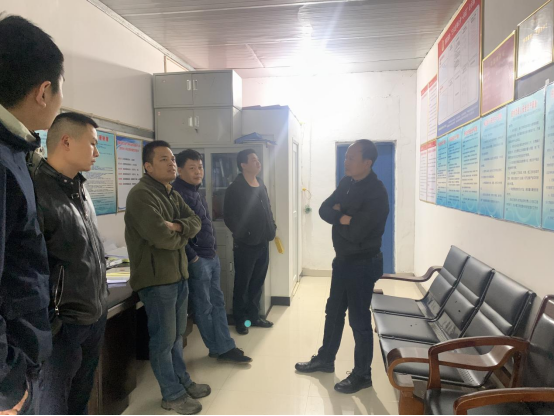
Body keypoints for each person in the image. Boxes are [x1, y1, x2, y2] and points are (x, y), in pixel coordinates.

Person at [0, 14, 64, 415]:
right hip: (10, 375)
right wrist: (7, 385)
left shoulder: (16, 152)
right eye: (60, 88)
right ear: (43, 91)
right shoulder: (3, 162)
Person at [295, 140, 390, 395]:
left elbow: (358, 232)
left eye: (351, 158)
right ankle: (325, 359)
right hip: (343, 260)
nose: (346, 161)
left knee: (358, 320)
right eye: (346, 157)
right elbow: (324, 210)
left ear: (367, 162)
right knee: (334, 311)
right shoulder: (347, 183)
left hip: (363, 263)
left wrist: (341, 219)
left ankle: (363, 375)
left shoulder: (377, 192)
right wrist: (343, 217)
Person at [125, 141, 208, 416]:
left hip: (178, 275)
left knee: (176, 337)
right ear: (148, 166)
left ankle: (183, 382)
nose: (172, 163)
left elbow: (196, 221)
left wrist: (178, 226)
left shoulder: (170, 192)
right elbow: (162, 238)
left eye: (172, 158)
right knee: (163, 340)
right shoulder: (141, 195)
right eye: (164, 159)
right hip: (157, 281)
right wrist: (181, 234)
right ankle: (171, 395)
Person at [33, 113, 108, 415]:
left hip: (93, 315)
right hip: (64, 326)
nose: (97, 152)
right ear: (66, 141)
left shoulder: (80, 188)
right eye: (92, 144)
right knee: (54, 405)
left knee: (80, 399)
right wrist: (54, 325)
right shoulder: (37, 190)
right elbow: (32, 269)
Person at [173, 150, 253, 364]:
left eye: (200, 167)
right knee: (204, 306)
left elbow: (205, 223)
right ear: (179, 170)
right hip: (198, 259)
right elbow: (178, 232)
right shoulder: (177, 194)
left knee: (217, 302)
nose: (198, 172)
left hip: (210, 255)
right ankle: (218, 348)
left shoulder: (195, 191)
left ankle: (225, 346)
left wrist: (214, 248)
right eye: (192, 168)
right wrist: (193, 258)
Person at [224, 149, 277, 336]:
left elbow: (267, 208)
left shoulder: (260, 183)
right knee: (242, 284)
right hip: (246, 245)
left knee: (257, 282)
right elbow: (229, 217)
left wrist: (272, 226)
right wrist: (244, 234)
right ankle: (240, 320)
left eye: (258, 159)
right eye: (253, 160)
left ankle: (254, 317)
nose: (258, 162)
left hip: (263, 241)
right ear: (243, 165)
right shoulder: (235, 188)